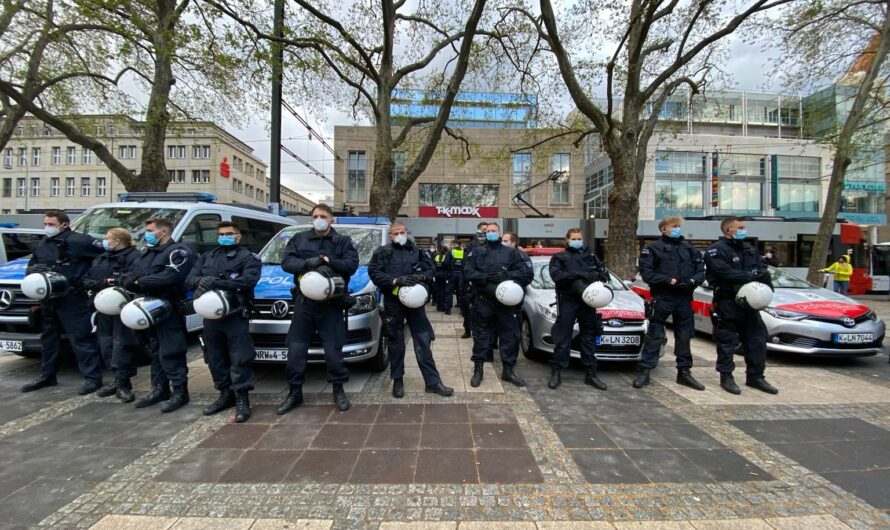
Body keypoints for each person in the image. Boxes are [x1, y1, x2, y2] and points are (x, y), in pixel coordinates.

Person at [277, 204, 359, 414]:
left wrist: (328, 261)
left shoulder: (342, 241)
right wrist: (309, 264)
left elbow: (351, 265)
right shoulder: (299, 239)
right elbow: (286, 262)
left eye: (323, 216)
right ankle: (294, 393)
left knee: (333, 352)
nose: (319, 219)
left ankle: (338, 390)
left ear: (331, 219)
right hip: (305, 304)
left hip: (331, 305)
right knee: (296, 351)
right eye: (315, 216)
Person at [21, 210, 104, 394]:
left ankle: (92, 378)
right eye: (46, 223)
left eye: (51, 224)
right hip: (49, 298)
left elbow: (103, 257)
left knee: (81, 338)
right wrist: (35, 269)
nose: (47, 227)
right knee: (49, 338)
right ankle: (48, 375)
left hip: (72, 297)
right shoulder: (43, 243)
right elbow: (30, 268)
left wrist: (89, 279)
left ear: (64, 224)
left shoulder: (80, 241)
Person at [186, 222, 262, 423]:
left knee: (240, 358)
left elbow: (248, 282)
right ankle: (224, 394)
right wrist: (199, 282)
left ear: (238, 236)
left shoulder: (248, 258)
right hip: (211, 317)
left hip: (235, 314)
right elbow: (190, 278)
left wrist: (218, 282)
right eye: (220, 234)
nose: (224, 237)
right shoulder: (208, 257)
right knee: (215, 358)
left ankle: (242, 399)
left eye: (229, 234)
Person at [368, 222, 454, 398]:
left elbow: (431, 271)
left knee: (423, 341)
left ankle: (433, 382)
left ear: (407, 233)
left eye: (402, 232)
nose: (399, 235)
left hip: (415, 303)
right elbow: (374, 273)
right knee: (395, 342)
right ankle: (398, 381)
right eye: (395, 233)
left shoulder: (418, 251)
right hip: (393, 302)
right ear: (391, 236)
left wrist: (420, 277)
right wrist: (395, 281)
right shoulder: (382, 252)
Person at [119, 218, 195, 412]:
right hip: (147, 307)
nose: (147, 233)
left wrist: (138, 282)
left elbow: (169, 277)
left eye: (151, 230)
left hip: (169, 308)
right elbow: (127, 275)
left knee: (172, 351)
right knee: (155, 351)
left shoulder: (178, 252)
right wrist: (137, 282)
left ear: (163, 232)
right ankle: (160, 389)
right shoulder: (146, 253)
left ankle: (180, 392)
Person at [704, 217, 778, 395]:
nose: (744, 230)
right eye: (740, 227)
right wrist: (752, 277)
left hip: (752, 305)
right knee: (727, 342)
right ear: (728, 230)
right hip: (728, 302)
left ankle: (756, 377)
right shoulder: (716, 250)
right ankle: (726, 376)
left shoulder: (750, 249)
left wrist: (766, 289)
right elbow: (725, 273)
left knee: (757, 341)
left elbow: (763, 271)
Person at [632, 217, 706, 391]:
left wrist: (692, 281)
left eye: (679, 226)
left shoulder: (688, 248)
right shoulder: (652, 249)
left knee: (684, 335)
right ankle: (645, 370)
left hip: (684, 298)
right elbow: (647, 273)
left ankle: (684, 372)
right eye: (674, 226)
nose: (677, 229)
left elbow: (700, 270)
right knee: (655, 335)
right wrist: (667, 281)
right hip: (663, 296)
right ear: (663, 229)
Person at [464, 222, 533, 387]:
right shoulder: (477, 252)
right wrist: (486, 278)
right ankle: (478, 370)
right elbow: (468, 272)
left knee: (510, 336)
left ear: (499, 232)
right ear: (484, 233)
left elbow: (525, 274)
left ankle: (508, 371)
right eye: (487, 231)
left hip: (507, 303)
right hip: (484, 301)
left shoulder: (511, 253)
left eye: (494, 230)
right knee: (481, 336)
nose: (491, 233)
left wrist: (506, 275)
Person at [83, 228, 141, 402]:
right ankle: (116, 380)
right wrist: (102, 283)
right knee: (106, 344)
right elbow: (86, 280)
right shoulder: (101, 258)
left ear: (118, 241)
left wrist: (112, 282)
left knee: (121, 345)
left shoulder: (134, 257)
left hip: (123, 307)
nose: (105, 241)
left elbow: (132, 279)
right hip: (102, 308)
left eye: (108, 238)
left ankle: (124, 383)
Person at [547, 228, 609, 390]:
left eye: (579, 238)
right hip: (568, 300)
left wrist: (593, 275)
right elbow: (557, 277)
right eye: (574, 238)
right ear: (567, 240)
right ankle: (556, 372)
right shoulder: (559, 257)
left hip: (588, 301)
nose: (577, 240)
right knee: (563, 338)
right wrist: (578, 275)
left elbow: (603, 274)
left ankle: (591, 374)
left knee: (588, 337)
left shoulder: (591, 256)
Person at [442, 241, 464, 318]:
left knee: (449, 291)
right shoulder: (464, 252)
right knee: (461, 291)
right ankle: (462, 309)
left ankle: (448, 309)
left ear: (454, 245)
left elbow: (445, 263)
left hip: (452, 274)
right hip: (461, 274)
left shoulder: (450, 252)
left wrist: (448, 271)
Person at [433, 246, 449, 311]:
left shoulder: (436, 256)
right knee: (443, 291)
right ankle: (442, 306)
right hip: (444, 275)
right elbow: (447, 266)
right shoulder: (446, 257)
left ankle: (438, 306)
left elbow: (434, 266)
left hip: (437, 275)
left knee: (438, 290)